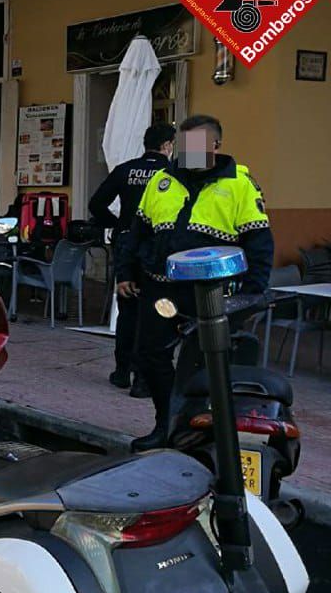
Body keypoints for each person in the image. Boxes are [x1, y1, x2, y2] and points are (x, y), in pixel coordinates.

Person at [116, 114, 273, 451]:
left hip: (212, 294)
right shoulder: (162, 180)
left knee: (206, 362)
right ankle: (166, 422)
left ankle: (199, 427)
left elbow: (259, 241)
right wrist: (125, 272)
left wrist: (254, 292)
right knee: (149, 356)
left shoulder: (239, 184)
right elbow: (138, 231)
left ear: (215, 146)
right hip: (161, 288)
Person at [89, 122, 175, 397]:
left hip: (127, 245)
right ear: (168, 145)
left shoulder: (125, 169)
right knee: (154, 313)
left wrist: (117, 225)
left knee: (128, 310)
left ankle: (122, 371)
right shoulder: (171, 174)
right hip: (159, 248)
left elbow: (96, 204)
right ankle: (142, 378)